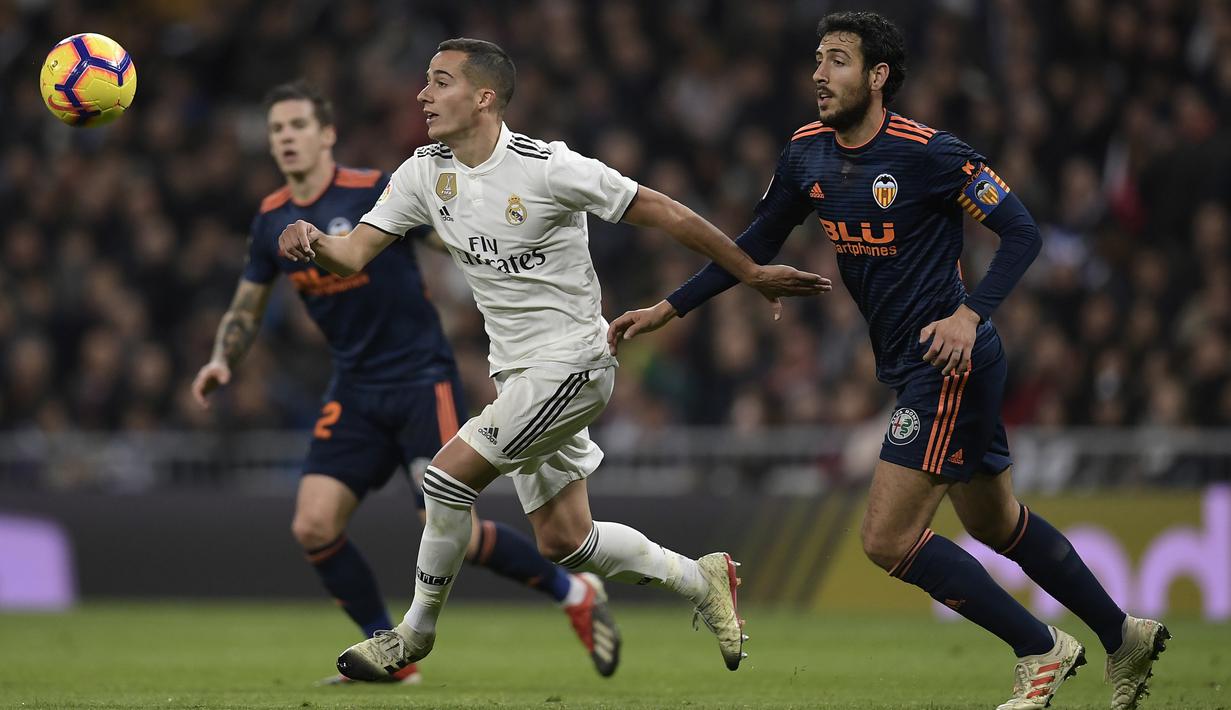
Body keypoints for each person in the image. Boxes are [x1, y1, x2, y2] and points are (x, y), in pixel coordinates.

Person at [608, 11, 1168, 710]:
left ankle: (1040, 649)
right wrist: (669, 308)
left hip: (947, 361)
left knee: (885, 538)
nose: (818, 73)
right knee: (996, 524)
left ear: (877, 76)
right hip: (914, 365)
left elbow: (1021, 232)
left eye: (837, 60)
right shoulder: (805, 154)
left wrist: (969, 315)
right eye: (817, 58)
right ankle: (1123, 636)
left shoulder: (931, 153)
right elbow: (752, 243)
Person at [277, 38, 831, 679]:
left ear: (484, 97)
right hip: (518, 375)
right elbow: (351, 256)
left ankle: (411, 636)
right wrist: (313, 240)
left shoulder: (548, 168)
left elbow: (666, 213)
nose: (422, 95)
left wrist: (752, 271)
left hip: (575, 363)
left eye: (439, 81)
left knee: (444, 478)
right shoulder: (424, 173)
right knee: (566, 541)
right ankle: (701, 578)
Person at [192, 79, 625, 683]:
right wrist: (222, 359)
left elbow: (463, 240)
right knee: (313, 525)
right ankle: (387, 655)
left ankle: (572, 593)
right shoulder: (270, 221)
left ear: (327, 135)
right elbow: (246, 305)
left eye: (297, 126)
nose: (286, 138)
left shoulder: (375, 189)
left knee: (449, 526)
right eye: (276, 130)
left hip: (423, 377)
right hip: (354, 386)